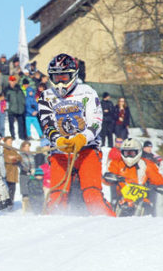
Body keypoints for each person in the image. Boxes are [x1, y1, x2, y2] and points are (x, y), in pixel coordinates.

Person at [37, 53, 114, 216]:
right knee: (57, 198)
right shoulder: (46, 96)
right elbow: (47, 123)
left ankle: (110, 223)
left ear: (73, 75)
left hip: (87, 150)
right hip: (60, 152)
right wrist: (57, 140)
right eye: (56, 77)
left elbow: (96, 121)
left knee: (92, 195)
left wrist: (83, 137)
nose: (60, 82)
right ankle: (51, 227)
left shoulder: (87, 92)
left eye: (64, 77)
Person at [107, 138, 163, 214]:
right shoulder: (117, 163)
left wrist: (162, 185)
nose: (129, 156)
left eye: (132, 153)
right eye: (126, 153)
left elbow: (156, 177)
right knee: (113, 201)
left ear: (138, 152)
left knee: (149, 206)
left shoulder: (146, 164)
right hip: (121, 197)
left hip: (141, 198)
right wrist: (110, 177)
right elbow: (108, 175)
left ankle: (151, 216)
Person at [5, 75, 26, 140]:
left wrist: (23, 105)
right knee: (11, 124)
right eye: (11, 81)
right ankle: (13, 136)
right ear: (9, 81)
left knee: (21, 124)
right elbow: (5, 100)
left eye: (14, 81)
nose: (13, 82)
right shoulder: (6, 89)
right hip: (11, 110)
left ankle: (21, 136)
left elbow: (23, 97)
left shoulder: (19, 88)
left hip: (20, 109)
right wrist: (7, 108)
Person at [3, 136, 21, 205]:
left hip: (14, 174)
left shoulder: (13, 150)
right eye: (9, 141)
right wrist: (13, 158)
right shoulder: (4, 150)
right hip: (7, 172)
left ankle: (11, 203)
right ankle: (6, 204)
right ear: (5, 142)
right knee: (7, 190)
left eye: (11, 141)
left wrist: (14, 158)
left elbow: (20, 157)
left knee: (13, 190)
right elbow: (6, 159)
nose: (10, 142)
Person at [18, 141, 35, 213]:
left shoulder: (31, 155)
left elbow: (34, 163)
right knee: (25, 192)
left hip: (31, 175)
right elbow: (20, 165)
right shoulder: (20, 155)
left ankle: (31, 208)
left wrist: (33, 169)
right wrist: (27, 170)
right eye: (26, 146)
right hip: (24, 175)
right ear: (22, 147)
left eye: (28, 146)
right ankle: (25, 209)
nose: (27, 148)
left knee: (32, 192)